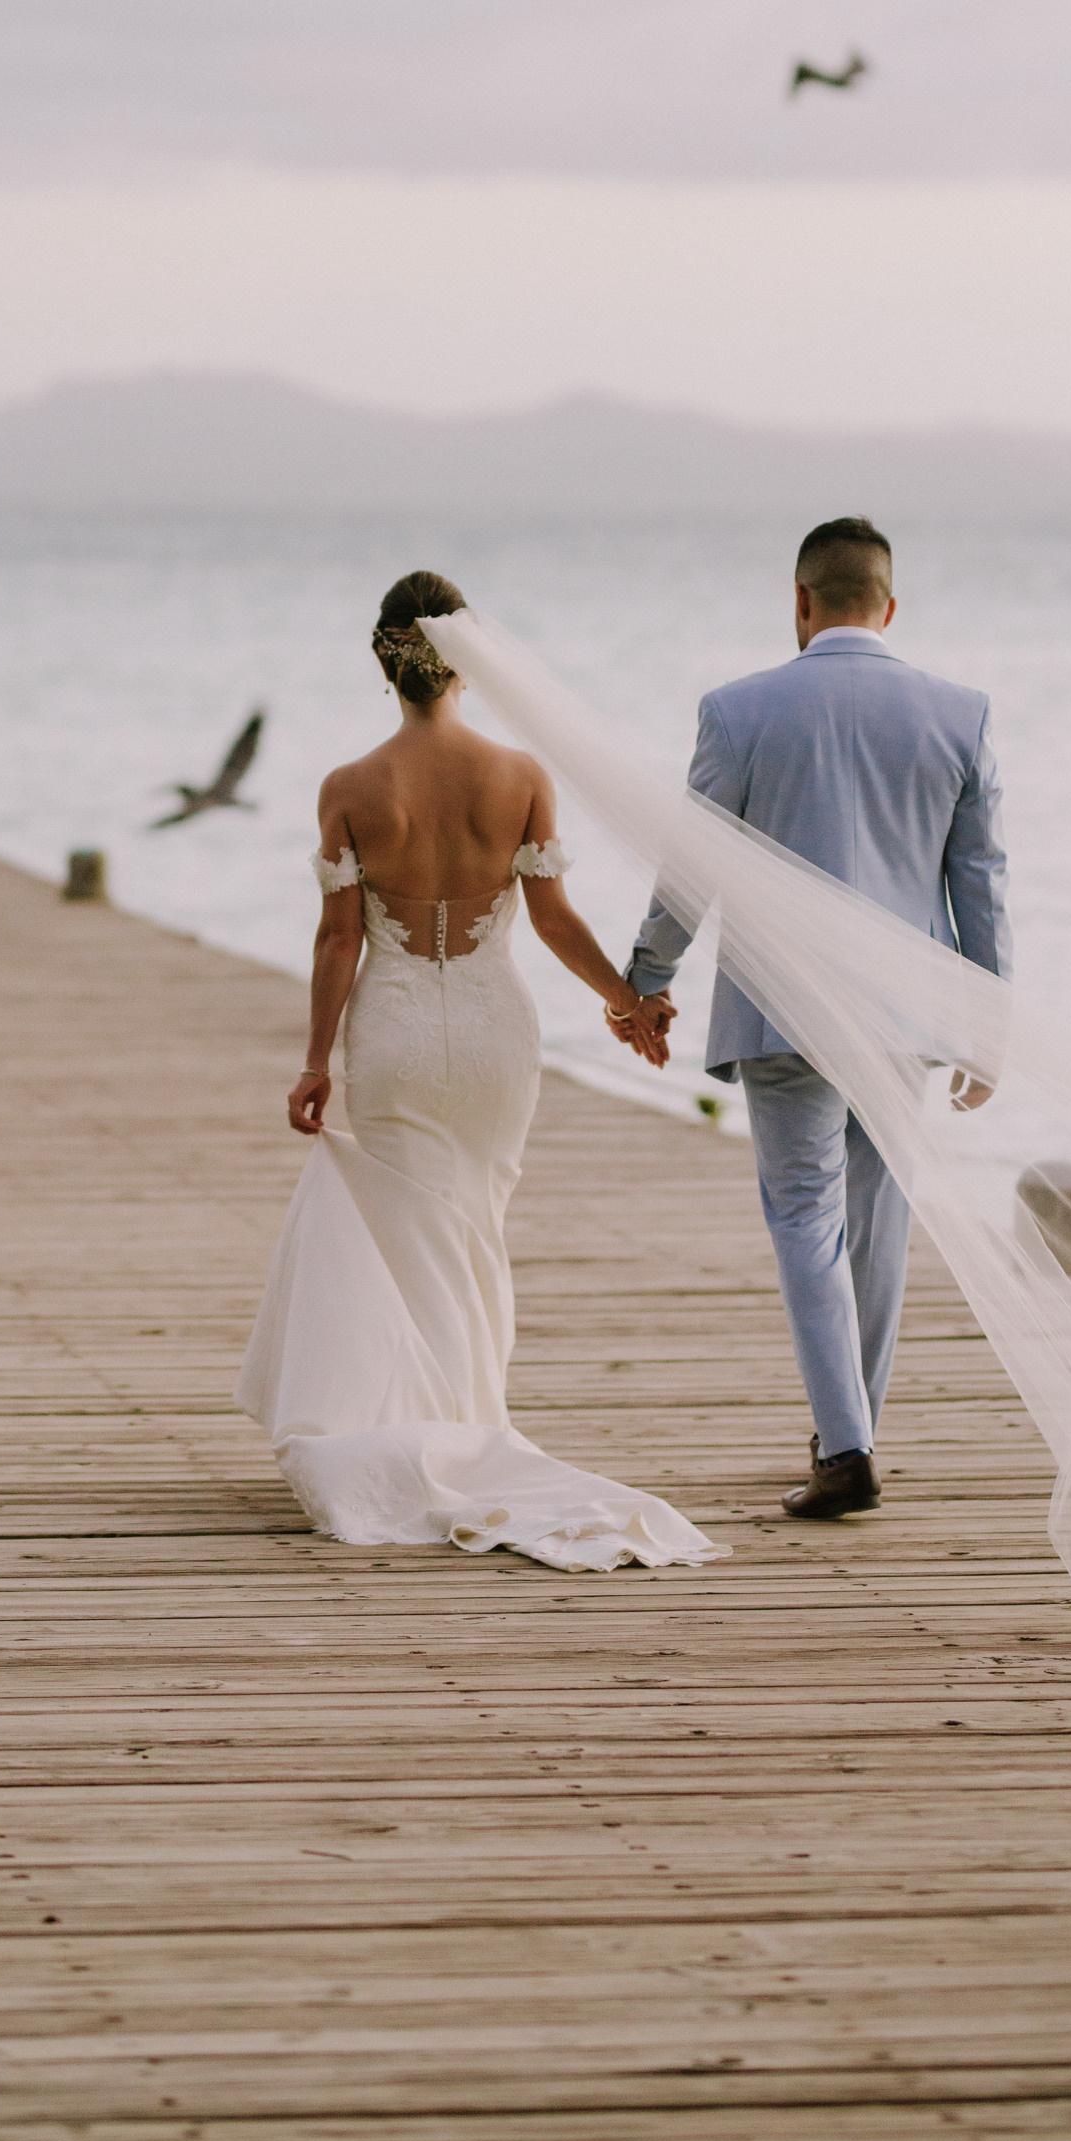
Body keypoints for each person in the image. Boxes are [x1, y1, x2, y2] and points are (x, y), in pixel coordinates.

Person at [237, 571, 721, 1572]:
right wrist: (626, 1001)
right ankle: (472, 1421)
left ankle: (429, 1430)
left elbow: (338, 940)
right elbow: (553, 920)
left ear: (384, 664)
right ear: (467, 661)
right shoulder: (519, 775)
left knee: (411, 1236)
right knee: (475, 1228)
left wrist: (314, 1060)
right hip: (498, 1035)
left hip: (395, 1034)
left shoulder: (348, 788)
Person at [613, 518, 1010, 1521]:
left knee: (804, 1215)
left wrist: (645, 977)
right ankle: (851, 1431)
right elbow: (980, 884)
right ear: (889, 606)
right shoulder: (959, 715)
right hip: (906, 1016)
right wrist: (988, 1025)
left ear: (800, 601)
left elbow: (691, 866)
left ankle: (845, 1446)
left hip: (781, 1010)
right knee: (878, 1224)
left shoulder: (739, 710)